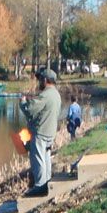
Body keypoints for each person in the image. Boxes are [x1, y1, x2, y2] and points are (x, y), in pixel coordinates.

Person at [19, 68, 61, 197]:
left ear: (45, 80)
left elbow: (30, 110)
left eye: (40, 79)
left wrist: (23, 102)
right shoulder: (56, 94)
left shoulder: (46, 95)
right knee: (46, 158)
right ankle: (46, 184)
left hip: (41, 132)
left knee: (38, 159)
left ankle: (40, 186)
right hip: (50, 133)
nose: (38, 82)